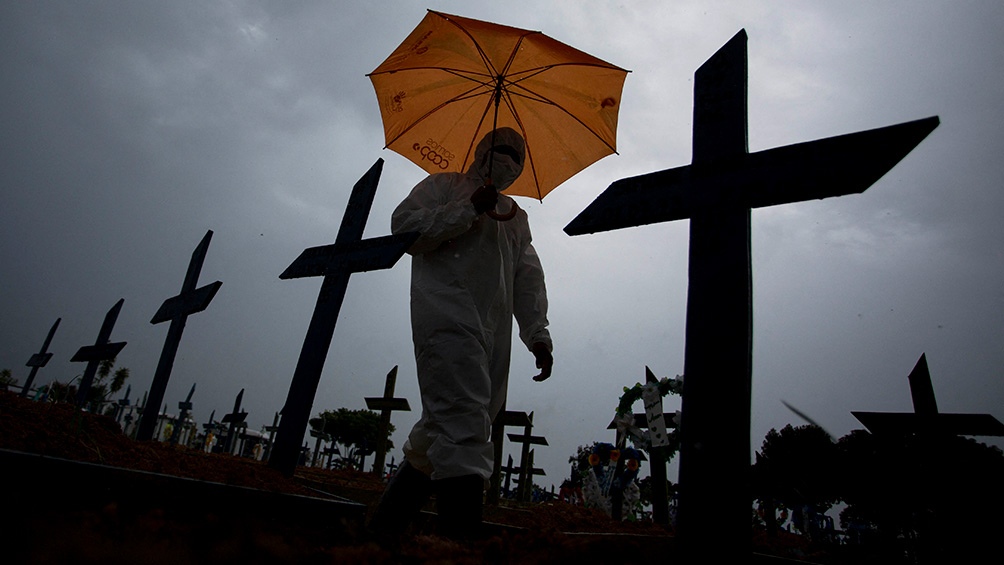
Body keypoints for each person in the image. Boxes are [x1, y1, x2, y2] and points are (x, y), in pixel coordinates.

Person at [369, 128, 553, 541]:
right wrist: (467, 209)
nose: (509, 161)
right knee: (464, 421)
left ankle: (382, 532)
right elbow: (406, 231)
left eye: (517, 157)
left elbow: (528, 278)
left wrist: (537, 334)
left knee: (447, 425)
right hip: (445, 314)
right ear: (482, 152)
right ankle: (460, 544)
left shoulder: (516, 217)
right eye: (502, 151)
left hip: (494, 330)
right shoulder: (443, 186)